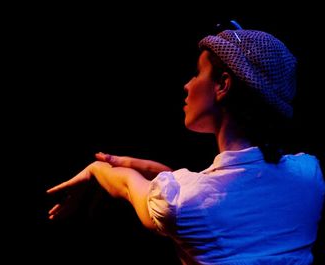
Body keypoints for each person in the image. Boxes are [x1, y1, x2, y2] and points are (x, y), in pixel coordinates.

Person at [46, 23, 325, 264]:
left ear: (222, 85)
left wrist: (96, 169)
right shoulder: (309, 175)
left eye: (197, 73)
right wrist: (139, 167)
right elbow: (217, 204)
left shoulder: (185, 202)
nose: (187, 85)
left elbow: (131, 186)